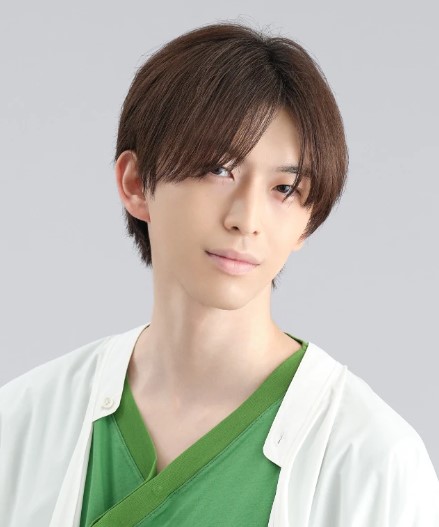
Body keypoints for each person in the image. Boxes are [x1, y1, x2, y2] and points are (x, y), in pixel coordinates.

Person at [1, 21, 438, 527]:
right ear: (136, 184)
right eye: (219, 170)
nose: (246, 219)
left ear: (307, 221)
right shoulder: (23, 423)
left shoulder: (374, 463)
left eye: (284, 189)